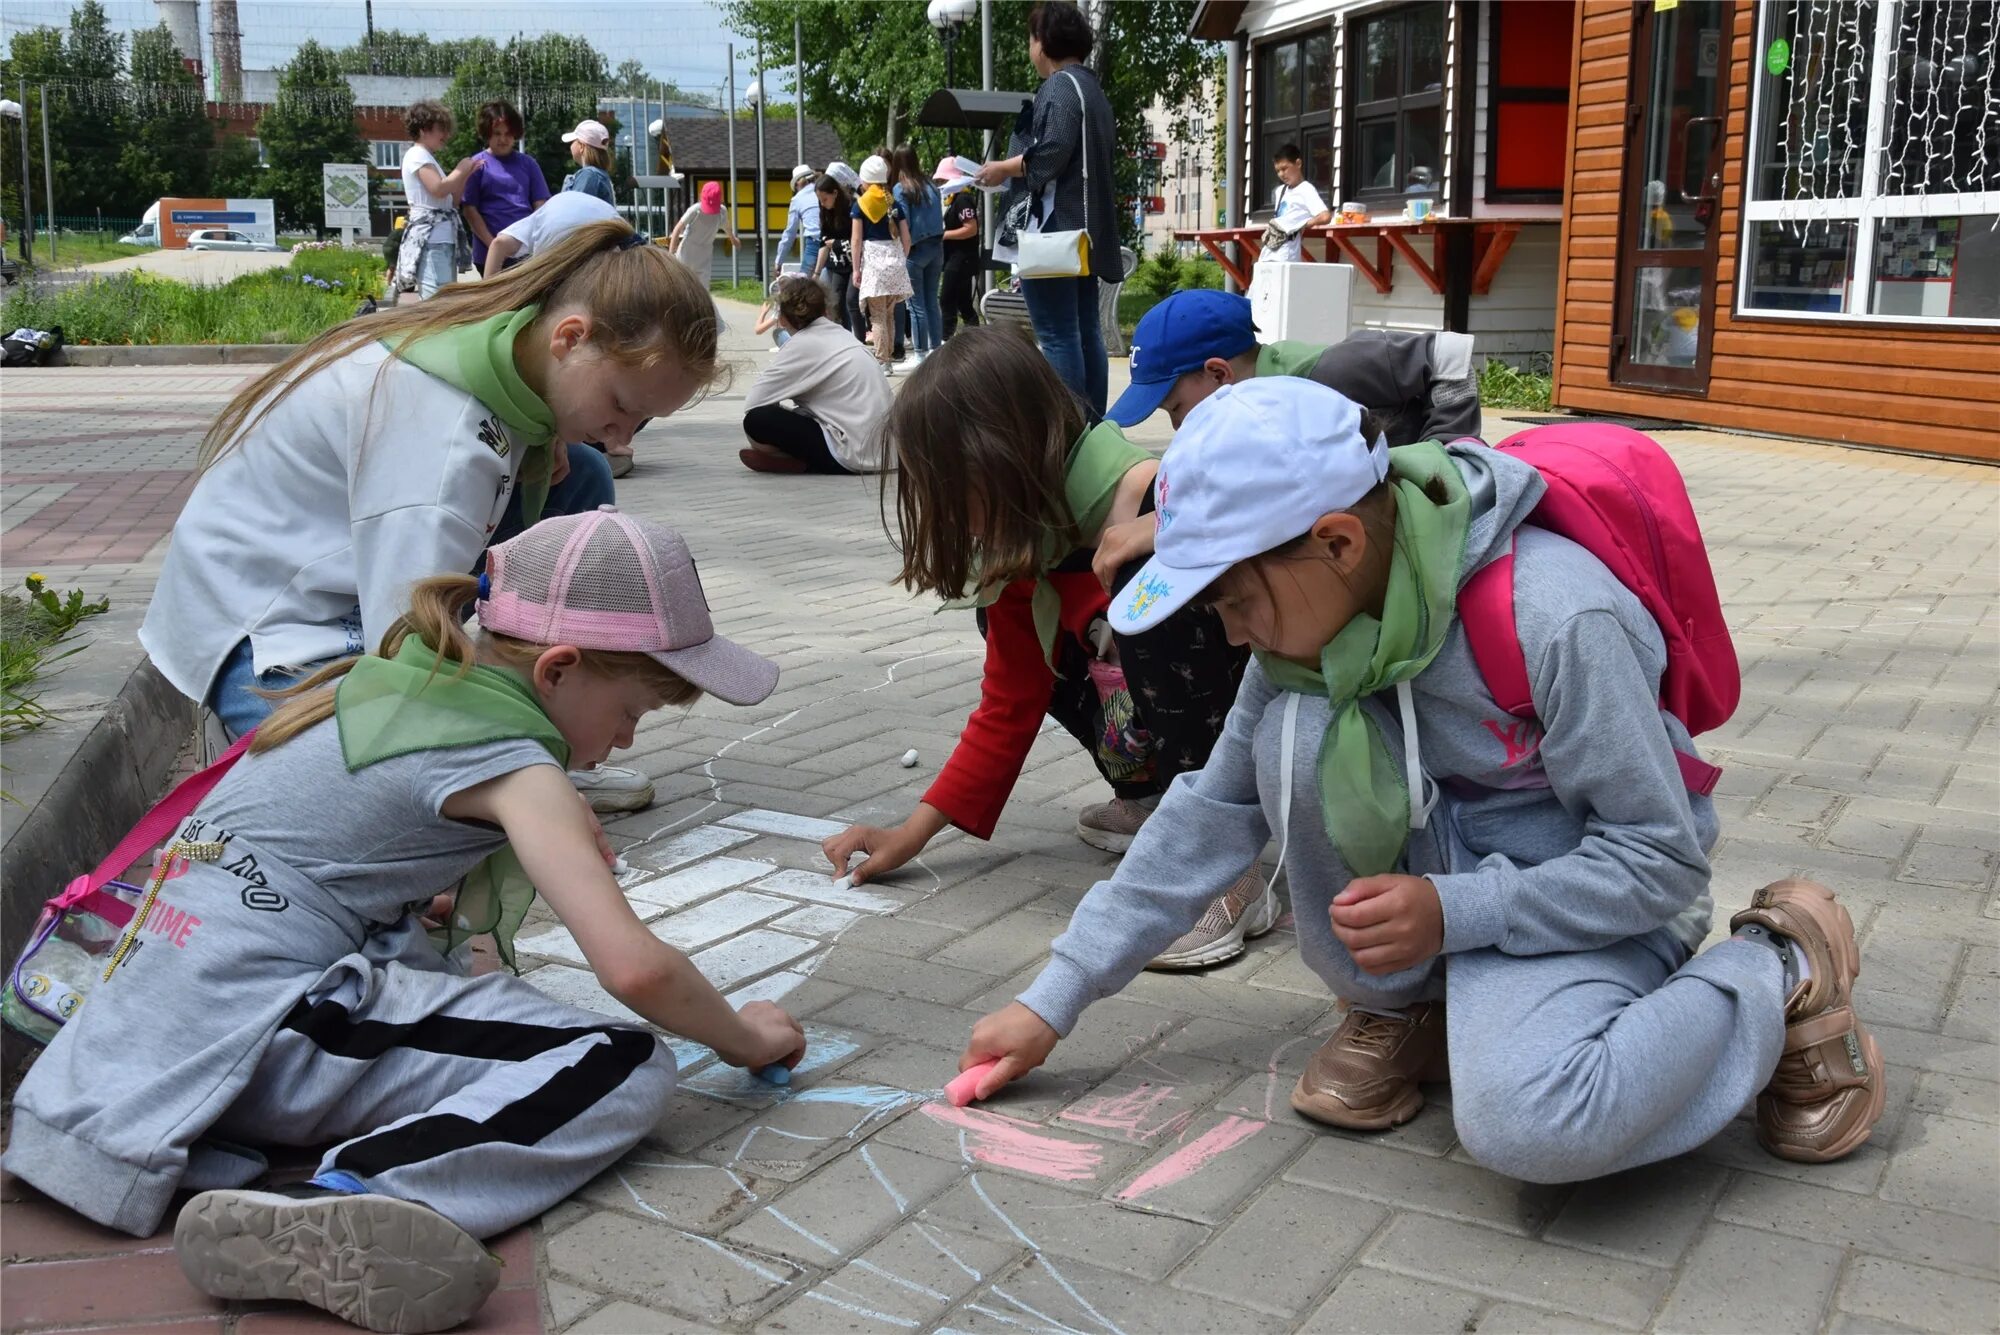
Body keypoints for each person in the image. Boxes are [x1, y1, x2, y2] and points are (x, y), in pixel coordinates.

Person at [956, 376, 1885, 1184]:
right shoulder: (1309, 636)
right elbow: (1212, 810)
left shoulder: (1556, 616)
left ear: (1340, 543)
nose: (1234, 633)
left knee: (1532, 1122)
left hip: (1579, 899)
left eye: (1237, 599)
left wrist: (1457, 913)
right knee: (1296, 730)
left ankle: (1782, 965)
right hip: (1450, 894)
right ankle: (1399, 1007)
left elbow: (1661, 862)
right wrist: (1055, 996)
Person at [7, 509, 804, 1334]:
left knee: (454, 986)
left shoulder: (387, 677)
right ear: (559, 669)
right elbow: (636, 970)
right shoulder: (512, 759)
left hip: (140, 1013)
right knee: (620, 1059)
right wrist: (744, 1036)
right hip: (254, 1038)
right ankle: (348, 1196)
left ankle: (308, 1172)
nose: (625, 741)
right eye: (632, 711)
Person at [140, 219, 716, 818]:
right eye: (620, 406)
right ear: (570, 339)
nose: (623, 437)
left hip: (347, 584)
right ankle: (514, 763)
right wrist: (474, 778)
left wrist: (552, 434)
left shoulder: (503, 347)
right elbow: (402, 656)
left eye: (641, 423)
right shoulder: (443, 445)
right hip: (265, 626)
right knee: (371, 813)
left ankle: (536, 744)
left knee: (587, 478)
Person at [824, 329, 1273, 968]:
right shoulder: (1024, 545)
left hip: (1245, 733)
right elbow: (1009, 704)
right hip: (1164, 736)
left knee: (1148, 610)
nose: (942, 509)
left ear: (1002, 456)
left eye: (949, 486)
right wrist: (911, 834)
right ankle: (1154, 806)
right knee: (1036, 645)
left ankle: (1226, 867)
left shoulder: (1156, 499)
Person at [976, 2, 1119, 413]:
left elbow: (1053, 152)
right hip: (1086, 230)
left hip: (1055, 229)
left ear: (1045, 43)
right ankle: (1091, 426)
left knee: (1057, 334)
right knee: (1085, 330)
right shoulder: (1092, 88)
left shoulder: (1059, 86)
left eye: (1031, 38)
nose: (1029, 48)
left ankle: (1068, 427)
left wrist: (1002, 168)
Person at [1108, 289, 1481, 441]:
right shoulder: (1250, 415)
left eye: (1175, 408)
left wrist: (1447, 452)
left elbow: (1450, 356)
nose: (1177, 426)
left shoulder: (1324, 374)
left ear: (1220, 373)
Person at [739, 277, 893, 476]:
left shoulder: (800, 345)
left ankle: (793, 460)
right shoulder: (844, 335)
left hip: (850, 455)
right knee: (800, 413)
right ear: (826, 311)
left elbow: (754, 403)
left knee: (757, 420)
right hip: (887, 451)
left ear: (783, 319)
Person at [397, 100, 482, 299]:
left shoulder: (427, 157)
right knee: (436, 297)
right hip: (432, 238)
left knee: (443, 295)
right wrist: (461, 168)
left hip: (442, 237)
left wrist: (466, 175)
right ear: (425, 128)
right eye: (441, 129)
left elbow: (453, 201)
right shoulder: (417, 155)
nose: (446, 135)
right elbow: (438, 188)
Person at [460, 99, 550, 276]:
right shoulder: (477, 165)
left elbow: (541, 206)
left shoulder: (529, 164)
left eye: (508, 133)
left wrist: (535, 243)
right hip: (488, 253)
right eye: (497, 133)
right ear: (487, 133)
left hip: (525, 253)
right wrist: (494, 245)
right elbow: (470, 210)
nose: (503, 139)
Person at [851, 154, 913, 376]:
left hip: (875, 263)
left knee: (877, 315)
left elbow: (856, 240)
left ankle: (882, 361)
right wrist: (901, 259)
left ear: (866, 180)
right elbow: (907, 239)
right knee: (888, 314)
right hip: (895, 262)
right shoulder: (893, 203)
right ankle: (888, 359)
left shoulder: (861, 205)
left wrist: (856, 269)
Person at [481, 191, 620, 278]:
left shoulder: (539, 219)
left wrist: (489, 300)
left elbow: (498, 244)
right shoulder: (553, 208)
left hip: (556, 230)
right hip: (612, 224)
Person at [892, 144, 944, 372]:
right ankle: (936, 350)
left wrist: (903, 250)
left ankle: (921, 355)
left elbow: (905, 226)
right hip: (936, 246)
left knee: (916, 306)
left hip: (914, 250)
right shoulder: (932, 185)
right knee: (932, 301)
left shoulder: (900, 189)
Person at [1257, 141, 1331, 268]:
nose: (1281, 174)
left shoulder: (1306, 189)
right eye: (1278, 170)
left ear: (1298, 163)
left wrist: (1304, 225)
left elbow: (1325, 216)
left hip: (1287, 254)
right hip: (1270, 249)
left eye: (1285, 168)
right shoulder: (1280, 191)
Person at [936, 157, 982, 340]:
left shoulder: (963, 199)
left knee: (946, 299)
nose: (940, 184)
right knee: (963, 302)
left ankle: (945, 339)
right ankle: (976, 338)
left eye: (942, 180)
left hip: (962, 258)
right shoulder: (953, 199)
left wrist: (944, 235)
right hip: (956, 256)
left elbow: (971, 229)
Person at [811, 173, 860, 335]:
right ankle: (843, 336)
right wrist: (816, 273)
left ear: (835, 193)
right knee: (836, 302)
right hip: (837, 263)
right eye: (820, 200)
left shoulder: (853, 206)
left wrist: (837, 244)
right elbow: (823, 244)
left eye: (825, 199)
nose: (822, 204)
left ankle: (858, 338)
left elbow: (858, 238)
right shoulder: (824, 212)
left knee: (851, 300)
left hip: (855, 262)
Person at [669, 181, 735, 278]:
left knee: (702, 288)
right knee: (684, 284)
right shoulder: (695, 210)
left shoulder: (722, 211)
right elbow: (677, 229)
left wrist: (733, 239)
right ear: (701, 196)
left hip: (705, 253)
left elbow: (727, 227)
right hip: (687, 251)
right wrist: (670, 255)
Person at [776, 163, 822, 273]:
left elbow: (790, 233)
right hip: (833, 240)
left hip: (814, 243)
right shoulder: (825, 190)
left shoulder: (797, 199)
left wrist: (779, 261)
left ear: (797, 184)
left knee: (805, 282)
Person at [561, 119, 618, 205]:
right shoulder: (599, 175)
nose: (571, 145)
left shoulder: (589, 175)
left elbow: (576, 210)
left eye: (573, 141)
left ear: (582, 147)